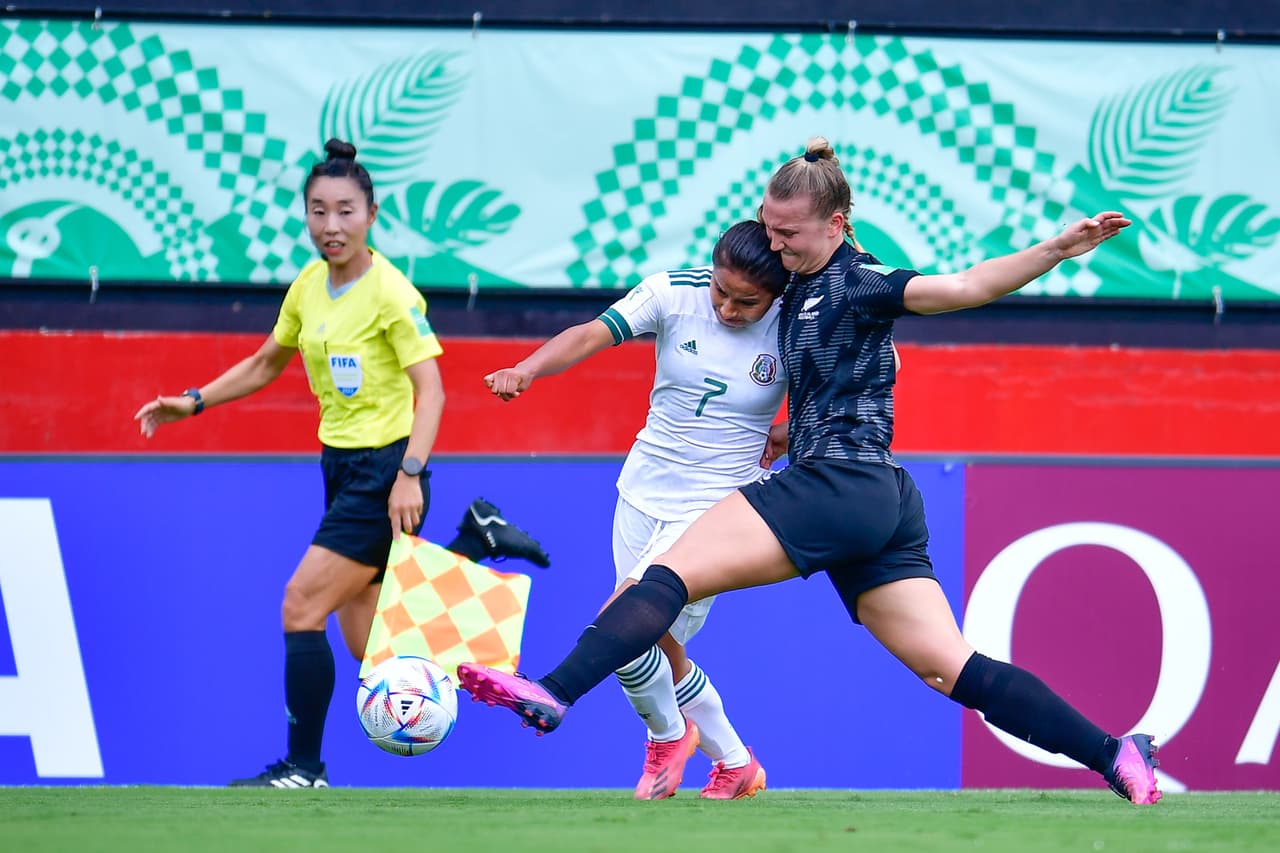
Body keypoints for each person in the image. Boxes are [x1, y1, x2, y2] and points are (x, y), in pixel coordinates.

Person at [457, 136, 1162, 806]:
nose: (773, 241)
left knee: (662, 576)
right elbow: (858, 374)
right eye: (768, 225)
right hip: (882, 499)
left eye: (787, 232)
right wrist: (793, 424)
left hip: (835, 485)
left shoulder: (862, 282)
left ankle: (552, 692)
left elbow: (968, 285)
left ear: (835, 224)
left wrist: (1058, 250)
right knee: (951, 666)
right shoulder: (793, 289)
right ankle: (1115, 752)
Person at [134, 138, 549, 789]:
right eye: (318, 211)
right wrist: (194, 400)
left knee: (301, 604)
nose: (331, 226)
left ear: (372, 214)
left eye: (346, 211)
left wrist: (410, 471)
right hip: (340, 468)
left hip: (385, 471)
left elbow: (432, 390)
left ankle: (303, 767)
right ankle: (476, 536)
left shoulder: (391, 291)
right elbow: (266, 362)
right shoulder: (309, 286)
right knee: (369, 645)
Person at [483, 221, 787, 800]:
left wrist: (791, 430)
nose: (727, 308)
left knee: (625, 617)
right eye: (721, 291)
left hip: (721, 505)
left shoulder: (799, 318)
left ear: (775, 293)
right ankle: (736, 762)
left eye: (746, 301)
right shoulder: (672, 292)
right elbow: (590, 333)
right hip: (644, 489)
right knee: (651, 641)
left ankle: (667, 734)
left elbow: (870, 376)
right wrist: (527, 368)